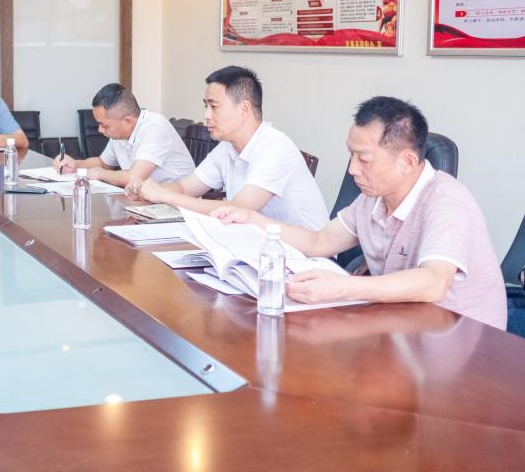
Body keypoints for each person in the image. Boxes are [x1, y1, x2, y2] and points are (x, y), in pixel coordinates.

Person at [214, 96, 507, 330]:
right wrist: (252, 219)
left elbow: (433, 283)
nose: (353, 169)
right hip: (404, 327)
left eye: (364, 159)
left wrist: (342, 287)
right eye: (350, 155)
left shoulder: (446, 201)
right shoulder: (373, 199)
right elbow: (318, 242)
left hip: (463, 342)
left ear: (407, 162)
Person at [127, 66, 328, 230]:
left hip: (301, 256)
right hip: (253, 243)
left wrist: (164, 196)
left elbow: (239, 209)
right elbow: (186, 188)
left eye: (214, 106)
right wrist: (147, 189)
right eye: (206, 106)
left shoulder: (274, 147)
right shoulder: (227, 147)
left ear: (244, 109)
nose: (206, 115)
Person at [53, 83, 195, 187]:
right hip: (147, 200)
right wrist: (76, 165)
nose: (100, 130)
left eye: (104, 125)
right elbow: (104, 163)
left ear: (128, 121)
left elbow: (134, 177)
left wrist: (99, 173)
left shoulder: (155, 127)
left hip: (178, 206)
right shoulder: (119, 133)